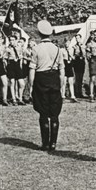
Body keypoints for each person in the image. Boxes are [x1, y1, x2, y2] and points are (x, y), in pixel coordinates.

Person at [29, 20, 65, 151]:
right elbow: (62, 70)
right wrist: (61, 86)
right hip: (54, 79)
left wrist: (31, 86)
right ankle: (53, 143)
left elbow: (32, 69)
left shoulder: (36, 49)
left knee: (43, 113)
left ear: (39, 33)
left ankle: (45, 143)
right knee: (54, 113)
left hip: (41, 79)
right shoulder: (57, 49)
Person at [5, 33, 25, 105]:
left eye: (13, 40)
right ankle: (14, 99)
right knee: (12, 82)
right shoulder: (7, 49)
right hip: (11, 64)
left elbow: (21, 56)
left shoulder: (19, 47)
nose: (11, 42)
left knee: (22, 84)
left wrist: (20, 65)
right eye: (10, 40)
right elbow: (5, 59)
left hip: (17, 65)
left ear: (16, 40)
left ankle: (20, 98)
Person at [61, 38, 77, 103]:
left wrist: (72, 57)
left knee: (71, 82)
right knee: (64, 82)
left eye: (68, 42)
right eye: (65, 42)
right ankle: (63, 95)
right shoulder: (62, 50)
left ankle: (72, 96)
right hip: (65, 65)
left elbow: (74, 56)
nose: (66, 44)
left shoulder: (72, 49)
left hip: (70, 65)